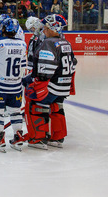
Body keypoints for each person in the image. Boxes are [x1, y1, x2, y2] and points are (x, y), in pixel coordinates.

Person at [24, 14, 76, 149]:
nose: (44, 30)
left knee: (36, 105)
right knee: (57, 107)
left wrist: (31, 79)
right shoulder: (66, 42)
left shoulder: (48, 43)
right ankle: (57, 138)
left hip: (52, 86)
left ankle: (39, 138)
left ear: (54, 28)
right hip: (63, 86)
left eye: (46, 27)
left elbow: (45, 70)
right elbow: (73, 64)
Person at [0, 17, 28, 151]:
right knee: (15, 111)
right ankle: (18, 136)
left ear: (2, 28)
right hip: (15, 85)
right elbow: (23, 65)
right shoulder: (22, 44)